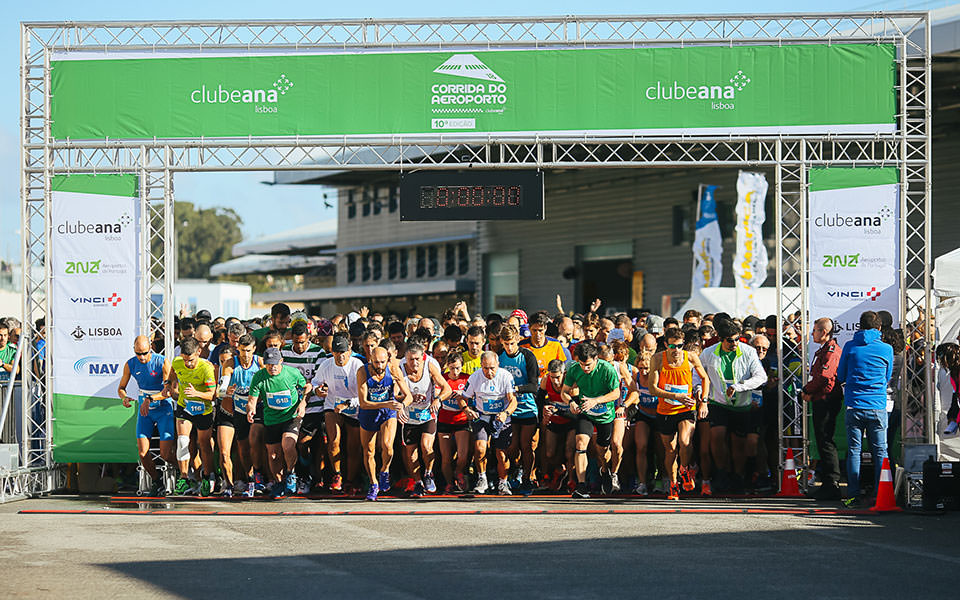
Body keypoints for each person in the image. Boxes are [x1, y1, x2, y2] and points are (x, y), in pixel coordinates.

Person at [699, 319, 767, 494]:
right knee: (717, 436)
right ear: (721, 339)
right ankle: (721, 473)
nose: (735, 343)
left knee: (738, 444)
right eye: (730, 340)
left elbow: (761, 377)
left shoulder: (749, 352)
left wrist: (740, 386)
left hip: (742, 405)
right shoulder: (708, 353)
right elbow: (696, 374)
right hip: (718, 402)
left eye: (737, 339)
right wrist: (700, 391)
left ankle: (738, 477)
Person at [837, 311, 894, 507]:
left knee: (854, 451)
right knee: (881, 451)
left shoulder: (850, 346)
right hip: (877, 406)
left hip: (854, 405)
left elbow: (841, 375)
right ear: (879, 328)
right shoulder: (887, 349)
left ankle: (853, 495)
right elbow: (887, 377)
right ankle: (881, 495)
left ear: (859, 327)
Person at [649, 328, 709, 501]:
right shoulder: (658, 359)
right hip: (666, 409)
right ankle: (674, 485)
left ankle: (684, 469)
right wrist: (676, 396)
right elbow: (653, 389)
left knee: (684, 441)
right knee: (670, 450)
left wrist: (703, 401)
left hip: (686, 408)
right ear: (666, 345)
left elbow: (705, 378)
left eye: (680, 346)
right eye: (672, 346)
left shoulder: (690, 357)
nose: (676, 350)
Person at [246, 347, 311, 500]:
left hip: (291, 416)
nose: (272, 367)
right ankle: (279, 482)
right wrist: (251, 409)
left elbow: (307, 386)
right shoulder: (259, 377)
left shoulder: (292, 373)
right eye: (269, 364)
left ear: (281, 361)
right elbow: (252, 400)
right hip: (271, 419)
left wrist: (303, 403)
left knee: (288, 444)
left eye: (275, 364)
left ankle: (291, 473)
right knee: (273, 454)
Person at [561, 341, 622, 499]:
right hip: (585, 412)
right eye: (582, 364)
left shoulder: (607, 369)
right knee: (580, 444)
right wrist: (571, 402)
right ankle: (581, 486)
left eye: (588, 365)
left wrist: (596, 400)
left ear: (596, 359)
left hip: (604, 414)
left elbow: (616, 393)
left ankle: (604, 469)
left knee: (602, 451)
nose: (585, 368)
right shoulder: (575, 369)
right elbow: (564, 392)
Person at [118, 336, 173, 497]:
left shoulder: (162, 361)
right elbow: (121, 387)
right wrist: (124, 397)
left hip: (163, 409)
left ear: (151, 348)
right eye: (138, 353)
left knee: (165, 454)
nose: (142, 357)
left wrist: (150, 399)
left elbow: (167, 391)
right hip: (146, 411)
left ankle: (185, 473)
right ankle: (157, 481)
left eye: (144, 353)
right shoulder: (130, 364)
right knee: (142, 453)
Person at [310, 333, 364, 494]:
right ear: (332, 352)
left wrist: (347, 404)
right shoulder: (326, 365)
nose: (340, 356)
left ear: (349, 350)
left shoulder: (357, 365)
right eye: (336, 352)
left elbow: (364, 395)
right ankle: (337, 475)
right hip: (332, 405)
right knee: (334, 441)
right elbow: (315, 383)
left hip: (354, 406)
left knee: (353, 447)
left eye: (343, 352)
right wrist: (317, 390)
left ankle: (351, 479)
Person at [165, 337, 217, 496]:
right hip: (184, 406)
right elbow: (173, 373)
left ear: (199, 352)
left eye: (191, 360)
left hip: (203, 410)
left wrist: (196, 393)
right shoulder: (178, 362)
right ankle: (184, 477)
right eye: (185, 360)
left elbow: (212, 396)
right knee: (182, 441)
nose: (188, 364)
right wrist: (171, 386)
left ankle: (207, 476)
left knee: (204, 445)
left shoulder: (206, 368)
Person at [357, 346, 411, 501]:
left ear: (387, 359)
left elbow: (408, 396)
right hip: (369, 412)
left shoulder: (393, 369)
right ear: (370, 360)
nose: (379, 366)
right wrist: (386, 403)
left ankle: (384, 471)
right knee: (369, 451)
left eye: (382, 362)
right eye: (376, 362)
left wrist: (402, 405)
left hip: (388, 412)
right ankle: (373, 483)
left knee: (387, 445)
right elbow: (363, 403)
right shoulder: (362, 372)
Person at [399, 342, 452, 497]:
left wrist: (438, 400)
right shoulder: (400, 370)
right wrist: (407, 397)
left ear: (422, 358)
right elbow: (395, 394)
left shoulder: (429, 366)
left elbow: (446, 388)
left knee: (426, 446)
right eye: (410, 360)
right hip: (409, 416)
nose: (414, 363)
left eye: (417, 359)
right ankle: (417, 482)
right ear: (405, 359)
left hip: (427, 414)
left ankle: (428, 473)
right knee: (411, 453)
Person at [462, 351, 517, 495]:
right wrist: (466, 409)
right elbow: (463, 397)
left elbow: (513, 400)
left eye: (492, 368)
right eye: (485, 368)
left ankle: (503, 483)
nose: (489, 372)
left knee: (501, 453)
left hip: (500, 417)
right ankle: (482, 478)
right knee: (480, 448)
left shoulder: (506, 376)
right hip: (483, 416)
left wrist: (505, 413)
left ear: (498, 364)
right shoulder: (475, 377)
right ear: (481, 366)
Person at [282, 321, 326, 493]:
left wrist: (307, 393)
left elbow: (317, 381)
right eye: (296, 342)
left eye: (303, 342)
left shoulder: (318, 352)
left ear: (309, 338)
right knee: (294, 443)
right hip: (291, 407)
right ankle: (301, 475)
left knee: (305, 442)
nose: (299, 346)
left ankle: (313, 476)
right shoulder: (284, 352)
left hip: (314, 407)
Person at [802, 318, 843, 500]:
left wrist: (807, 389)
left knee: (826, 441)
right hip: (821, 398)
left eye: (815, 331)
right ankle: (828, 482)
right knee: (822, 441)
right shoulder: (824, 350)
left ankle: (831, 484)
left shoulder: (831, 351)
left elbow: (825, 376)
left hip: (827, 399)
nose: (813, 334)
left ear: (824, 332)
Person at [499, 324, 542, 494]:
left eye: (512, 343)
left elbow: (533, 386)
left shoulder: (527, 356)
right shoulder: (500, 357)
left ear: (517, 339)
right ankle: (515, 471)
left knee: (526, 445)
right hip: (509, 408)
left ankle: (527, 478)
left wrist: (515, 389)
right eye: (506, 344)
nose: (509, 347)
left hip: (527, 406)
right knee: (511, 446)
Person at [219, 334, 262, 497]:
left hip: (256, 410)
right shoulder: (231, 363)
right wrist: (225, 391)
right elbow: (222, 387)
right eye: (243, 350)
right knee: (243, 449)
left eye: (249, 351)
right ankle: (246, 480)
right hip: (237, 410)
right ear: (238, 349)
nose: (246, 355)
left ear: (254, 349)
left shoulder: (259, 362)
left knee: (256, 443)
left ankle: (258, 479)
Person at [539, 359, 575, 492]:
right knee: (549, 453)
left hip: (571, 422)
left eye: (558, 377)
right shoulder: (545, 381)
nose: (555, 381)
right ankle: (560, 471)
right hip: (555, 421)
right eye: (552, 377)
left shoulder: (571, 384)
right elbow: (539, 399)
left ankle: (572, 481)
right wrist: (544, 411)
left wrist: (557, 410)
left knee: (569, 452)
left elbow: (576, 413)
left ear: (564, 373)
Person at [437, 352, 471, 493]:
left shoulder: (467, 378)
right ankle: (449, 483)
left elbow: (472, 396)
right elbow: (437, 396)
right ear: (447, 367)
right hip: (444, 420)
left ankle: (458, 472)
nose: (455, 372)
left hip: (461, 420)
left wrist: (462, 398)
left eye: (457, 368)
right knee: (446, 457)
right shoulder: (443, 379)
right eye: (452, 368)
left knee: (462, 456)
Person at [630, 349, 660, 495]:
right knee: (641, 446)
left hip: (659, 415)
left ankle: (663, 478)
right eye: (641, 368)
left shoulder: (657, 377)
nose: (644, 371)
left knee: (661, 449)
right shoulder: (635, 377)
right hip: (643, 415)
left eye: (647, 368)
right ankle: (642, 482)